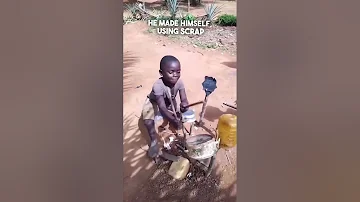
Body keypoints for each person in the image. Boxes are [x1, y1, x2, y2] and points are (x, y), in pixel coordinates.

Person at [141, 55, 189, 158]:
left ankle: (173, 120)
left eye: (178, 72)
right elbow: (162, 107)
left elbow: (184, 99)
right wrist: (172, 119)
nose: (175, 75)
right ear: (161, 73)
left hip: (169, 101)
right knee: (148, 121)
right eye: (171, 72)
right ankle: (153, 141)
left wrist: (184, 105)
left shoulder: (179, 82)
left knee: (178, 116)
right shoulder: (158, 85)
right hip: (154, 101)